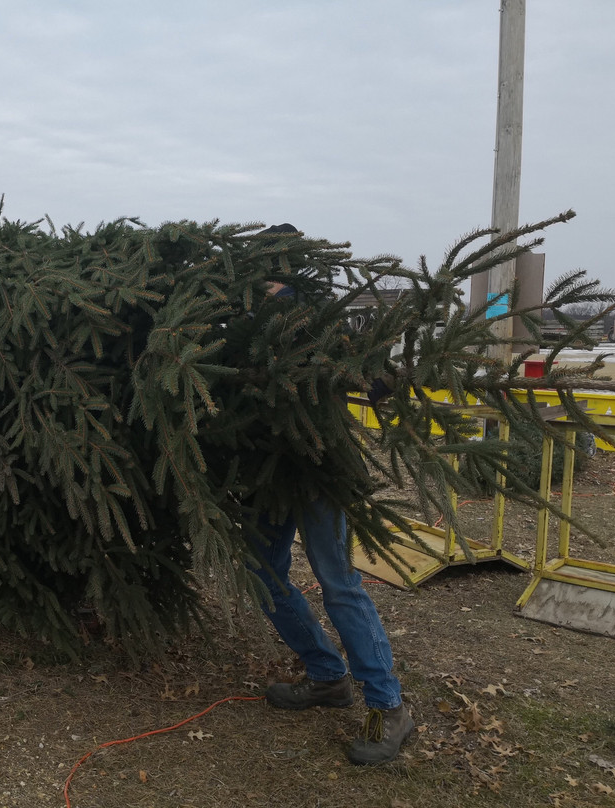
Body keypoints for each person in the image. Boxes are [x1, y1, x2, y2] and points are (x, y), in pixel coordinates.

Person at [251, 222, 413, 766]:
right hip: (269, 473)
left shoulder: (319, 319)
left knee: (338, 583)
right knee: (266, 576)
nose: (270, 277)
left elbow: (374, 375)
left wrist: (381, 372)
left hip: (320, 469)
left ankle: (388, 706)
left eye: (278, 267)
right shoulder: (247, 322)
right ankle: (325, 675)